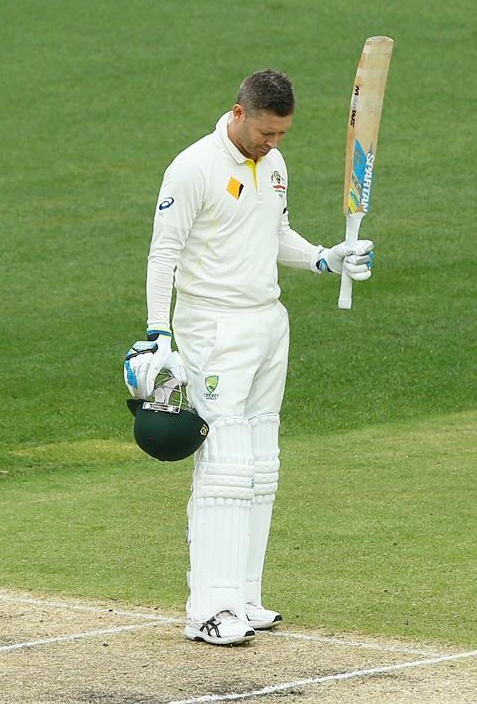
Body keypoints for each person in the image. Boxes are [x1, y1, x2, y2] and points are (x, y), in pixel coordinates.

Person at [124, 70, 374, 646]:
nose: (273, 143)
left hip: (268, 320)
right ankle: (209, 609)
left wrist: (323, 259)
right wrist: (159, 333)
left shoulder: (275, 166)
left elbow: (274, 233)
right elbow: (164, 255)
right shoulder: (193, 168)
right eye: (265, 131)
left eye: (282, 134)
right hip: (213, 325)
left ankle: (244, 596)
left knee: (262, 463)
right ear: (239, 113)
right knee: (226, 466)